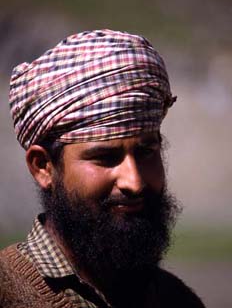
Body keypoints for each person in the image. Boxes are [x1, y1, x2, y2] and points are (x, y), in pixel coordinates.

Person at [0, 29, 205, 308]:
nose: (134, 182)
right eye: (105, 157)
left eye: (146, 152)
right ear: (43, 167)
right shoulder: (8, 292)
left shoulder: (176, 298)